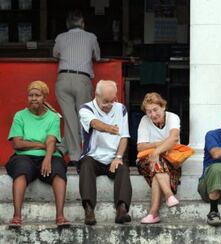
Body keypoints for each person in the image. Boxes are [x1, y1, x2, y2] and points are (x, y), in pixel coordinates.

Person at [6, 80, 70, 228]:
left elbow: (51, 140)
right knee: (21, 170)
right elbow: (17, 143)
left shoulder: (53, 117)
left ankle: (60, 216)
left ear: (44, 98)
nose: (34, 98)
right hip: (23, 156)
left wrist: (47, 158)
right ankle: (17, 216)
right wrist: (41, 145)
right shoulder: (20, 116)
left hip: (49, 155)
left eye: (37, 95)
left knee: (59, 170)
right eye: (30, 95)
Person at [78, 80, 132, 225]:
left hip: (113, 157)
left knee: (123, 168)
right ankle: (89, 210)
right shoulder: (86, 109)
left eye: (112, 100)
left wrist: (118, 157)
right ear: (96, 95)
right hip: (93, 157)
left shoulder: (121, 109)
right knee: (86, 164)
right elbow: (94, 123)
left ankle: (122, 209)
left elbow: (124, 137)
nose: (109, 105)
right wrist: (109, 128)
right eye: (105, 101)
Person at [53, 10, 101, 164]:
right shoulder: (91, 37)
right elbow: (98, 57)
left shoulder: (60, 37)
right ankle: (76, 156)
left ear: (67, 24)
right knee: (82, 118)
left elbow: (55, 54)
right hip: (82, 79)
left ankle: (62, 148)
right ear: (83, 24)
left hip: (63, 79)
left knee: (70, 118)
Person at [136, 92, 181, 224]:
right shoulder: (145, 120)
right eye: (149, 111)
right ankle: (169, 195)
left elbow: (174, 138)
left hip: (170, 161)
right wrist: (160, 146)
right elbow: (140, 147)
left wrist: (156, 151)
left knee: (157, 171)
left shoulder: (173, 117)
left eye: (155, 109)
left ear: (163, 107)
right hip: (147, 161)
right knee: (157, 163)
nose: (153, 114)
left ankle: (153, 213)